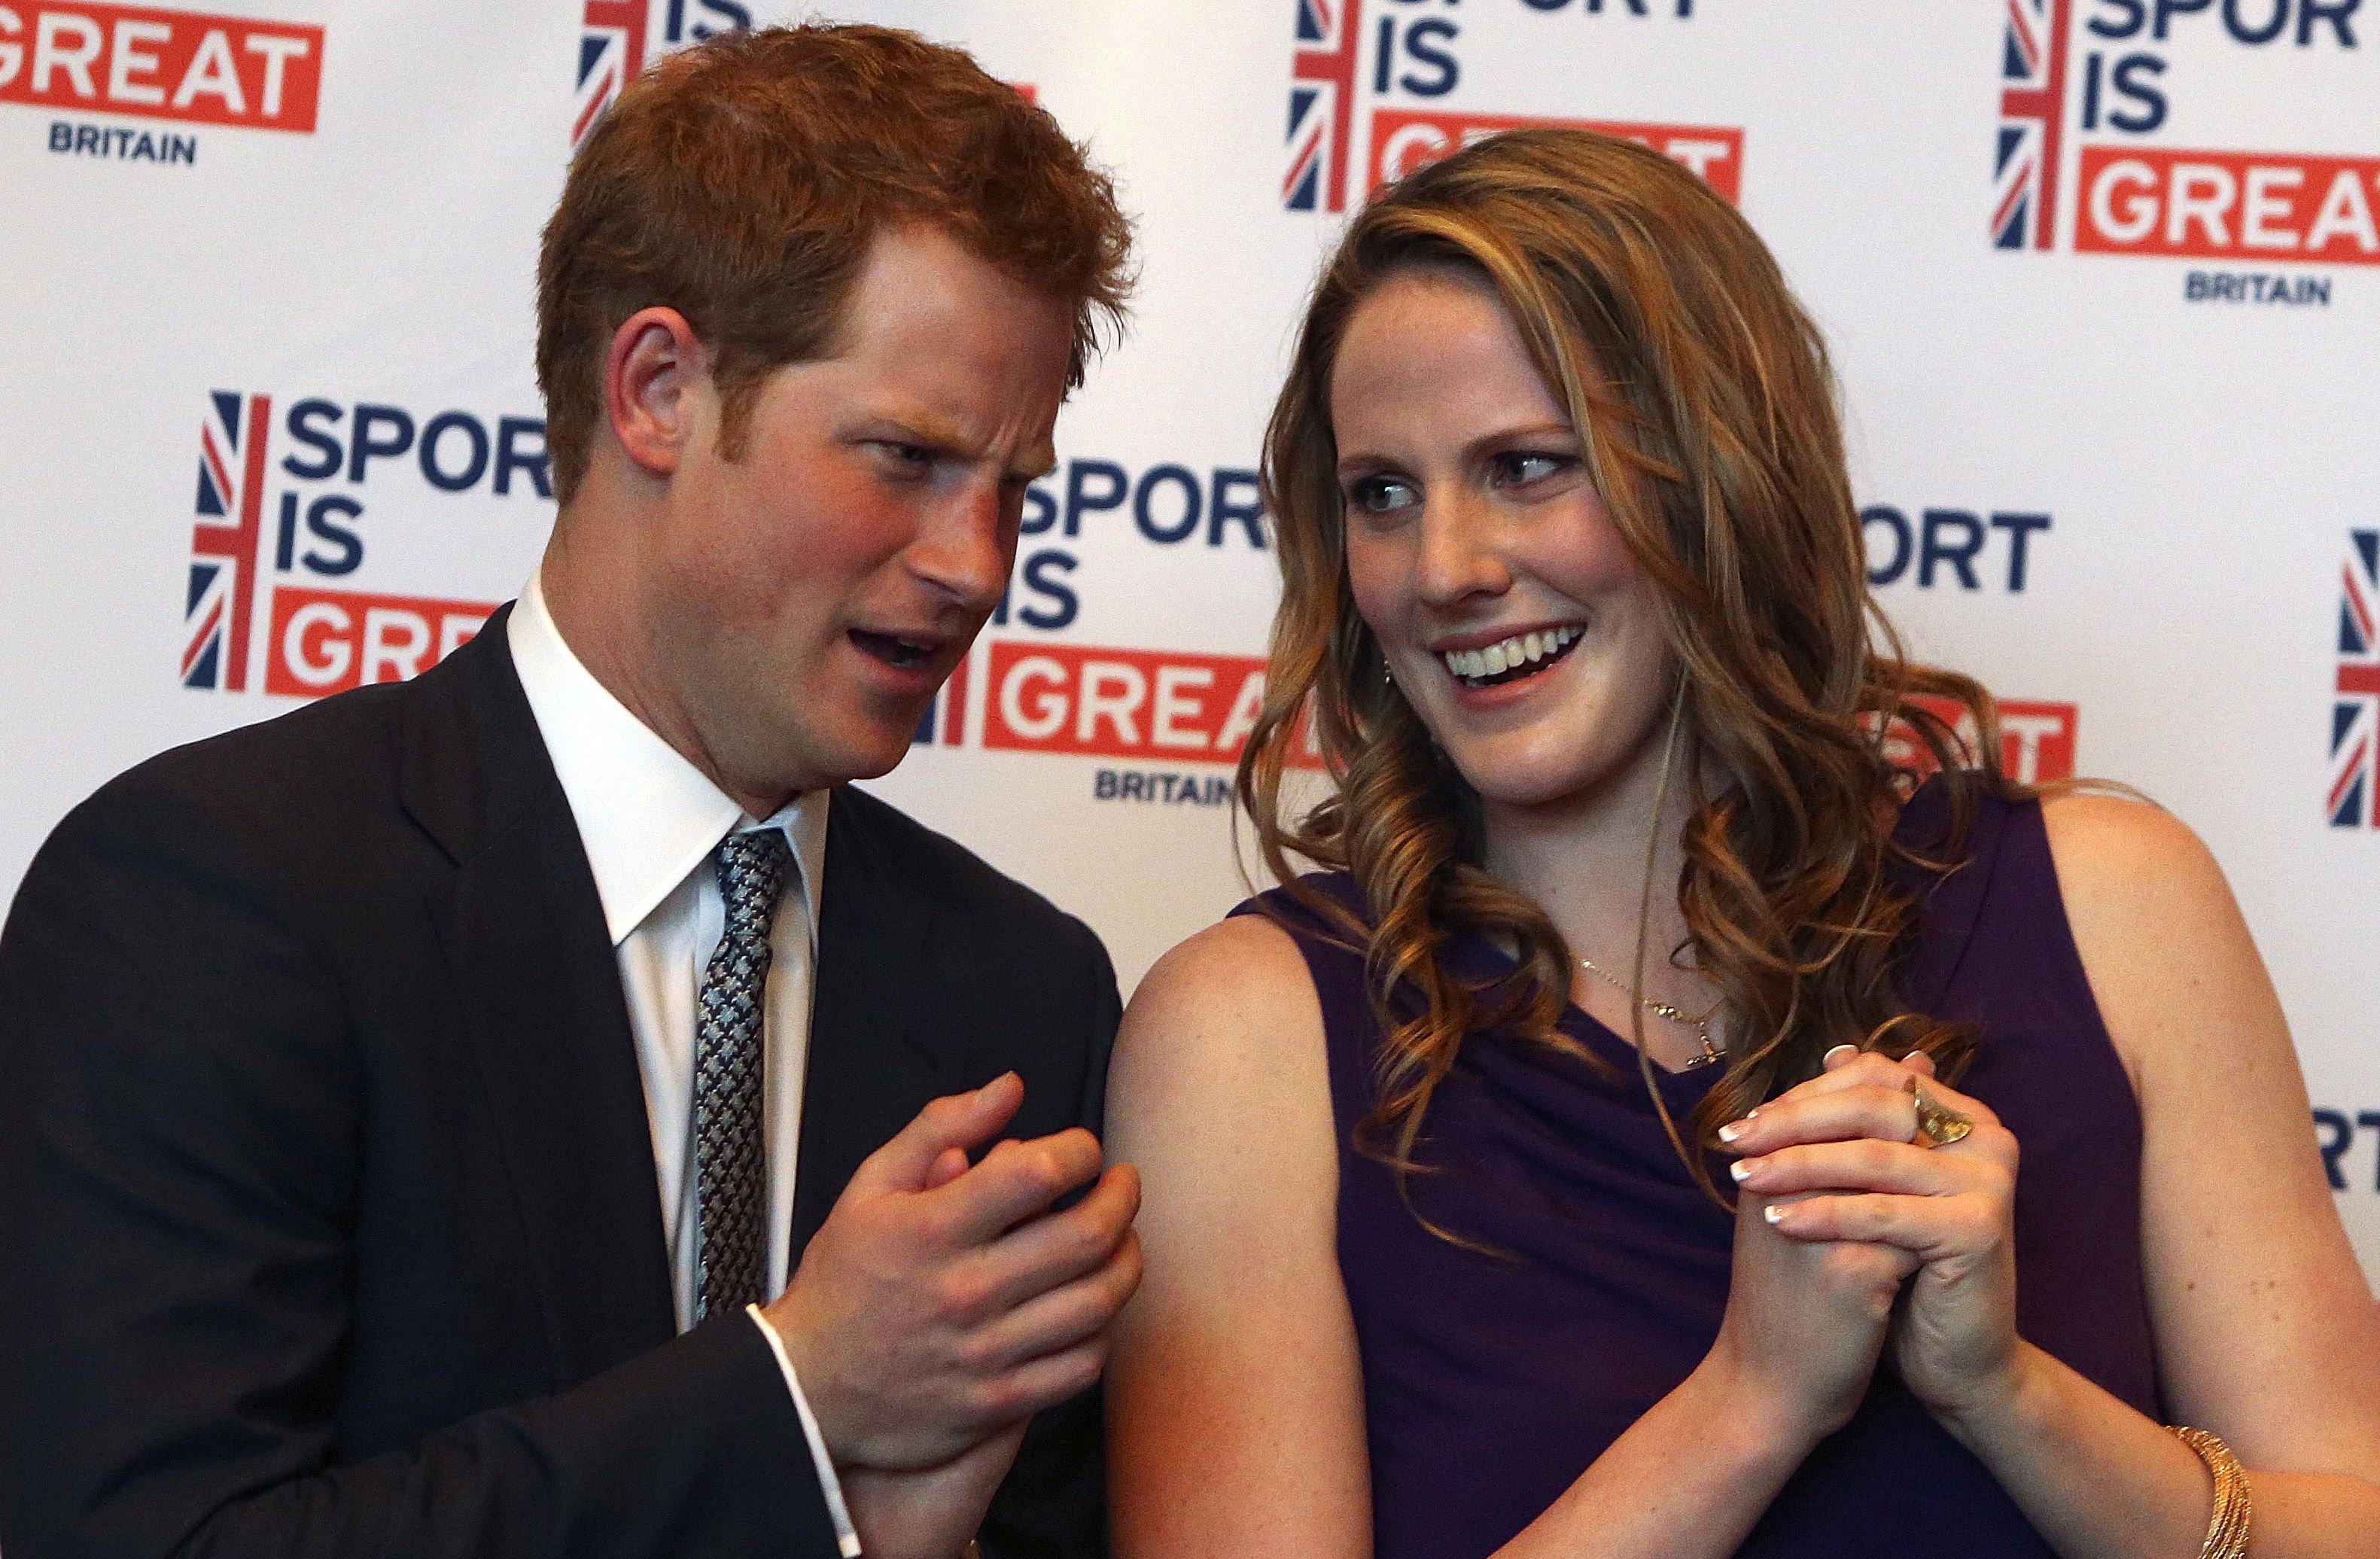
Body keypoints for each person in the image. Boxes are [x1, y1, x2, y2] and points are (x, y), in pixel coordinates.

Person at [1105, 127, 2380, 1557]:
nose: (1444, 569)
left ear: (1720, 477)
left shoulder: (2109, 903)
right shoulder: (1251, 1036)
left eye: (1527, 467)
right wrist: (1752, 1397)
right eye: (1381, 494)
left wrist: (2002, 1393)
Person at [0, 24, 1140, 1559]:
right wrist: (796, 1392)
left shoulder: (1024, 990)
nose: (976, 564)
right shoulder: (211, 899)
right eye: (905, 457)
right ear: (659, 389)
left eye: (1014, 487)